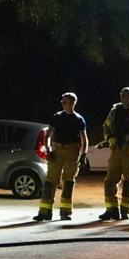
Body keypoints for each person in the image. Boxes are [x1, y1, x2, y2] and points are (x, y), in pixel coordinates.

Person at [33, 93, 88, 221]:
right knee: (50, 182)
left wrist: (83, 154)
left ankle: (65, 212)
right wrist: (48, 151)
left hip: (72, 151)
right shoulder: (57, 117)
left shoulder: (78, 119)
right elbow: (47, 136)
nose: (63, 104)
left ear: (73, 103)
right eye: (62, 102)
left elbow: (84, 139)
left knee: (68, 182)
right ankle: (44, 212)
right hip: (57, 150)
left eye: (66, 102)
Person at [99, 87, 129, 221]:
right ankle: (111, 209)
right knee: (110, 181)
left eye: (125, 95)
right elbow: (106, 126)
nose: (122, 96)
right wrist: (109, 138)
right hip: (116, 149)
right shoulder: (114, 111)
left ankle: (125, 210)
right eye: (121, 94)